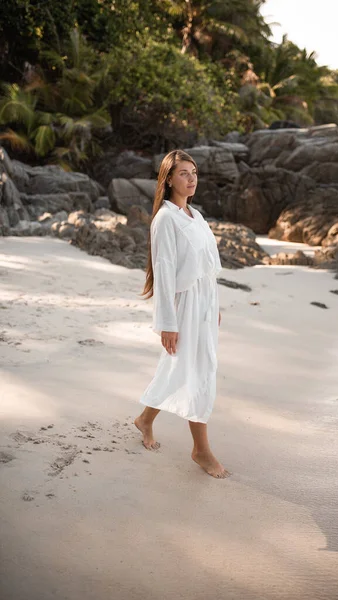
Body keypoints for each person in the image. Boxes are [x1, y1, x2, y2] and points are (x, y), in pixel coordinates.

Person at [135, 149, 231, 479]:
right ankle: (201, 449)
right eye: (184, 173)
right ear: (169, 179)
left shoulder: (195, 215)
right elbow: (163, 272)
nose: (191, 179)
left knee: (183, 368)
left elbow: (207, 267)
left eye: (194, 173)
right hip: (184, 306)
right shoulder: (165, 220)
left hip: (204, 301)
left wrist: (213, 305)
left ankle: (146, 419)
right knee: (199, 369)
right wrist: (167, 324)